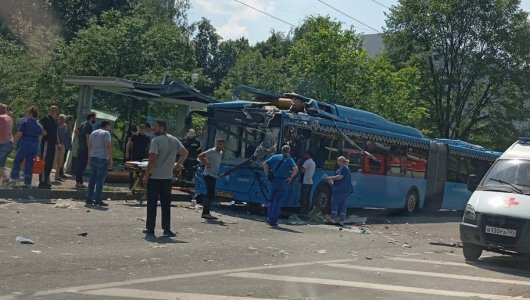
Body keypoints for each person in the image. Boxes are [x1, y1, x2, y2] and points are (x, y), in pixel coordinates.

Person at [142, 120, 188, 237]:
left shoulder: (156, 141)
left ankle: (150, 228)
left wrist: (146, 175)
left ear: (161, 128)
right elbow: (185, 153)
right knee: (166, 204)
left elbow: (152, 159)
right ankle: (166, 229)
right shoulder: (174, 139)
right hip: (167, 177)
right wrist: (177, 166)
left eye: (156, 127)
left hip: (155, 177)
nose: (153, 128)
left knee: (152, 203)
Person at [262, 145, 298, 227]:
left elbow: (264, 164)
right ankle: (273, 220)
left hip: (273, 180)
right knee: (277, 202)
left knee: (270, 200)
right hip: (283, 182)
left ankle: (269, 218)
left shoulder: (275, 157)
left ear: (281, 150)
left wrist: (267, 174)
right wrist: (290, 177)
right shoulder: (289, 160)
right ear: (289, 151)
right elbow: (295, 169)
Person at [9, 106, 43, 188]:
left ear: (31, 114)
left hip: (26, 143)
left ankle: (14, 179)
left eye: (27, 113)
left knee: (17, 160)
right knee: (29, 164)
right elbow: (40, 138)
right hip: (35, 145)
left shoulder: (25, 123)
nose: (26, 115)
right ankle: (27, 183)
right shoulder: (39, 125)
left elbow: (19, 133)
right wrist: (38, 149)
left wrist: (14, 142)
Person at [86, 121, 113, 207]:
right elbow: (108, 146)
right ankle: (98, 199)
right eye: (109, 126)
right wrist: (110, 159)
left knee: (92, 180)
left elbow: (89, 146)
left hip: (93, 157)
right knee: (100, 181)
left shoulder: (93, 133)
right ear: (107, 126)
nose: (110, 128)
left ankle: (89, 199)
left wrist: (89, 158)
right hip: (102, 158)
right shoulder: (106, 133)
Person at [198, 139, 224, 220]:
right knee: (210, 195)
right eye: (218, 144)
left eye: (221, 144)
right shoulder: (211, 151)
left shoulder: (220, 153)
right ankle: (205, 213)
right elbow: (200, 156)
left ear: (223, 146)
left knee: (211, 195)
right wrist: (206, 163)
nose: (219, 145)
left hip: (214, 175)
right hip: (208, 175)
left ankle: (206, 213)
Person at [327, 156, 354, 225]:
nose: (337, 162)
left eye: (338, 161)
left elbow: (340, 177)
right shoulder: (346, 168)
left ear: (341, 161)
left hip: (340, 189)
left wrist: (331, 178)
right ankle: (341, 220)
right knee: (342, 204)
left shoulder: (343, 168)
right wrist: (332, 182)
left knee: (335, 203)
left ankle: (332, 219)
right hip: (345, 189)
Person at [39, 106, 59, 189]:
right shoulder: (45, 119)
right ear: (49, 110)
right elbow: (39, 126)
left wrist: (58, 142)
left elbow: (56, 132)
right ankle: (42, 181)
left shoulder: (55, 121)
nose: (53, 111)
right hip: (46, 143)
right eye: (52, 110)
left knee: (50, 162)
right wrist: (42, 132)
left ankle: (46, 179)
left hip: (52, 144)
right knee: (44, 161)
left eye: (55, 110)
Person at [76, 112, 96, 189]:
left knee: (79, 165)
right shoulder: (89, 126)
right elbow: (88, 138)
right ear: (91, 117)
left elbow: (76, 132)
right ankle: (79, 183)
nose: (95, 119)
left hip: (80, 147)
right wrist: (89, 149)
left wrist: (80, 140)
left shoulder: (82, 123)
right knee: (82, 166)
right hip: (85, 149)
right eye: (95, 117)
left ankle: (79, 182)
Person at [0, 103, 14, 186]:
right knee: (1, 164)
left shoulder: (1, 118)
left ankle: (7, 179)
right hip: (9, 143)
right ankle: (3, 183)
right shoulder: (9, 118)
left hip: (2, 143)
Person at [299, 151, 316, 217]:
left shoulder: (307, 162)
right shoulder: (313, 163)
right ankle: (306, 212)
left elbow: (303, 170)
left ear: (308, 155)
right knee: (307, 198)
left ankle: (301, 213)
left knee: (303, 198)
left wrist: (299, 165)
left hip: (305, 181)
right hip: (310, 182)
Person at [54, 114, 68, 182]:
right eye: (61, 119)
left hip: (63, 144)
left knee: (61, 161)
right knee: (54, 160)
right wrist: (58, 143)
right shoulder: (56, 125)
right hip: (56, 144)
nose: (62, 120)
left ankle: (57, 176)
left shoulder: (65, 126)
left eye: (64, 119)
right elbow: (56, 134)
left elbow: (66, 135)